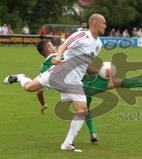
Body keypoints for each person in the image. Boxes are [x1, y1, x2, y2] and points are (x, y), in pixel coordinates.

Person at [4, 14, 106, 152]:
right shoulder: (82, 35)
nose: (105, 26)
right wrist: (58, 56)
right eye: (103, 23)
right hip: (59, 72)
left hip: (74, 82)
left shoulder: (99, 44)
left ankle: (67, 144)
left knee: (82, 111)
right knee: (29, 87)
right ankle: (20, 77)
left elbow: (84, 63)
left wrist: (99, 71)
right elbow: (63, 45)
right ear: (94, 23)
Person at [36, 39, 142, 142]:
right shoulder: (60, 56)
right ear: (49, 49)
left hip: (75, 91)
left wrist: (43, 104)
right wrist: (101, 72)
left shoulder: (43, 69)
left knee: (85, 110)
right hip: (85, 85)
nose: (55, 47)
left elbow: (39, 90)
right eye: (52, 45)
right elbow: (85, 67)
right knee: (117, 82)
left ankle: (93, 134)